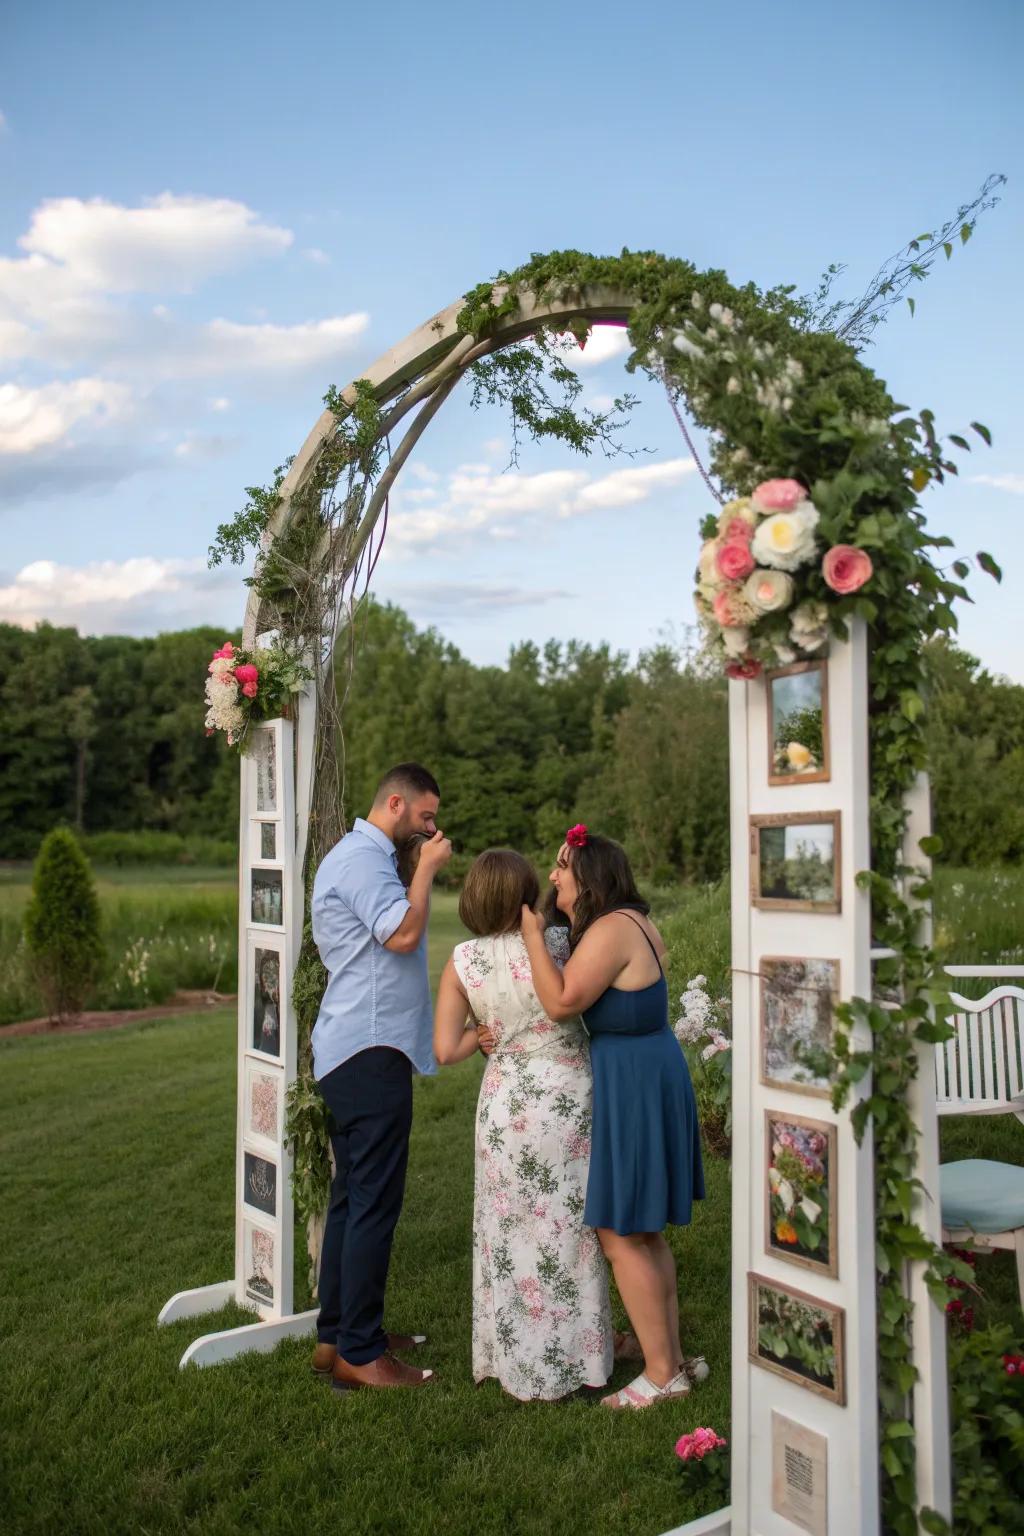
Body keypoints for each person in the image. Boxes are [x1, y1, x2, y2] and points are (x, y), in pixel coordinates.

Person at [520, 825, 707, 1410]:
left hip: (634, 1080)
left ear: (589, 877)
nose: (553, 877)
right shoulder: (632, 922)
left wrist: (530, 937)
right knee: (642, 1229)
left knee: (621, 1232)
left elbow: (560, 1003)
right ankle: (672, 1361)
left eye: (561, 868)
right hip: (648, 1070)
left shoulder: (610, 929)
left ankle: (659, 1374)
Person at [433, 849, 613, 1400]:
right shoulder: (559, 944)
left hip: (507, 1106)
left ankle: (512, 1356)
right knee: (572, 1229)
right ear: (526, 893)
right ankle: (583, 1359)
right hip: (567, 1098)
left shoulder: (462, 961)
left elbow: (444, 1049)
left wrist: (480, 1038)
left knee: (507, 1229)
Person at [309, 762, 452, 1392]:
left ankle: (336, 1335)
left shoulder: (356, 856)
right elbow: (401, 933)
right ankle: (361, 1355)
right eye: (425, 817)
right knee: (373, 1203)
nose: (431, 829)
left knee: (350, 1201)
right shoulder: (365, 860)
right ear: (395, 803)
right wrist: (425, 872)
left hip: (358, 1049)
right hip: (368, 1051)